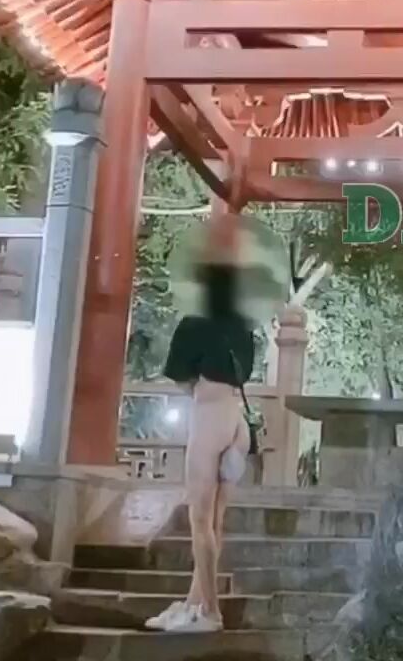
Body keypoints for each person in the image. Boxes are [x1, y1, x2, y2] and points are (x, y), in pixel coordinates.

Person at [144, 215, 254, 634]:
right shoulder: (243, 327)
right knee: (215, 523)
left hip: (209, 419)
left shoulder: (194, 323)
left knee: (199, 520)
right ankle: (194, 602)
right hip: (237, 423)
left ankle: (210, 610)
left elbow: (180, 375)